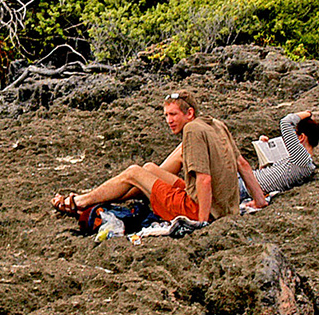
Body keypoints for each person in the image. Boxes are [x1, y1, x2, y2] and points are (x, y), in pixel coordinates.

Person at [53, 91, 245, 225]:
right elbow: (242, 164)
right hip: (219, 205)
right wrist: (260, 202)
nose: (169, 120)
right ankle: (104, 197)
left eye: (173, 115)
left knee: (133, 172)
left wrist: (202, 224)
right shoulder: (214, 125)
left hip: (200, 209)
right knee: (150, 169)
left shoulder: (192, 131)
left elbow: (204, 179)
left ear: (190, 113)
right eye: (166, 115)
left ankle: (81, 201)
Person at [237, 109, 319, 205]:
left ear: (301, 137)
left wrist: (308, 113)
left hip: (245, 186)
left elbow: (286, 122)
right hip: (247, 179)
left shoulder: (303, 160)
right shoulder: (299, 161)